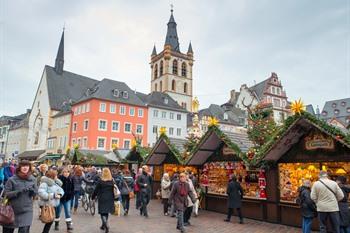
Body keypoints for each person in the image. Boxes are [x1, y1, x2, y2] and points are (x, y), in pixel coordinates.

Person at [2, 160, 37, 233]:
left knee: (24, 230)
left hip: (27, 210)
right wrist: (18, 191)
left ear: (29, 168)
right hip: (11, 210)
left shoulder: (33, 179)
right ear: (19, 167)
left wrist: (33, 192)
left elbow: (35, 194)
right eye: (23, 166)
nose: (25, 168)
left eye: (27, 166)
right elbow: (6, 194)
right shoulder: (12, 179)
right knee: (7, 231)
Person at [92, 168, 115, 233]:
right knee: (106, 212)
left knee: (102, 212)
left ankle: (105, 224)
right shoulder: (112, 181)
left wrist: (93, 196)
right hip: (110, 198)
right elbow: (114, 190)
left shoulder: (100, 181)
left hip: (102, 198)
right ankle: (104, 225)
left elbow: (96, 190)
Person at [55, 167, 74, 232]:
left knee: (67, 212)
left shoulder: (71, 179)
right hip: (59, 199)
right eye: (64, 172)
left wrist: (71, 195)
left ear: (69, 172)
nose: (66, 173)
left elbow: (73, 189)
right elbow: (56, 188)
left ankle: (68, 226)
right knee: (57, 212)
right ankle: (56, 224)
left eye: (67, 172)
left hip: (67, 199)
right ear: (62, 173)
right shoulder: (59, 179)